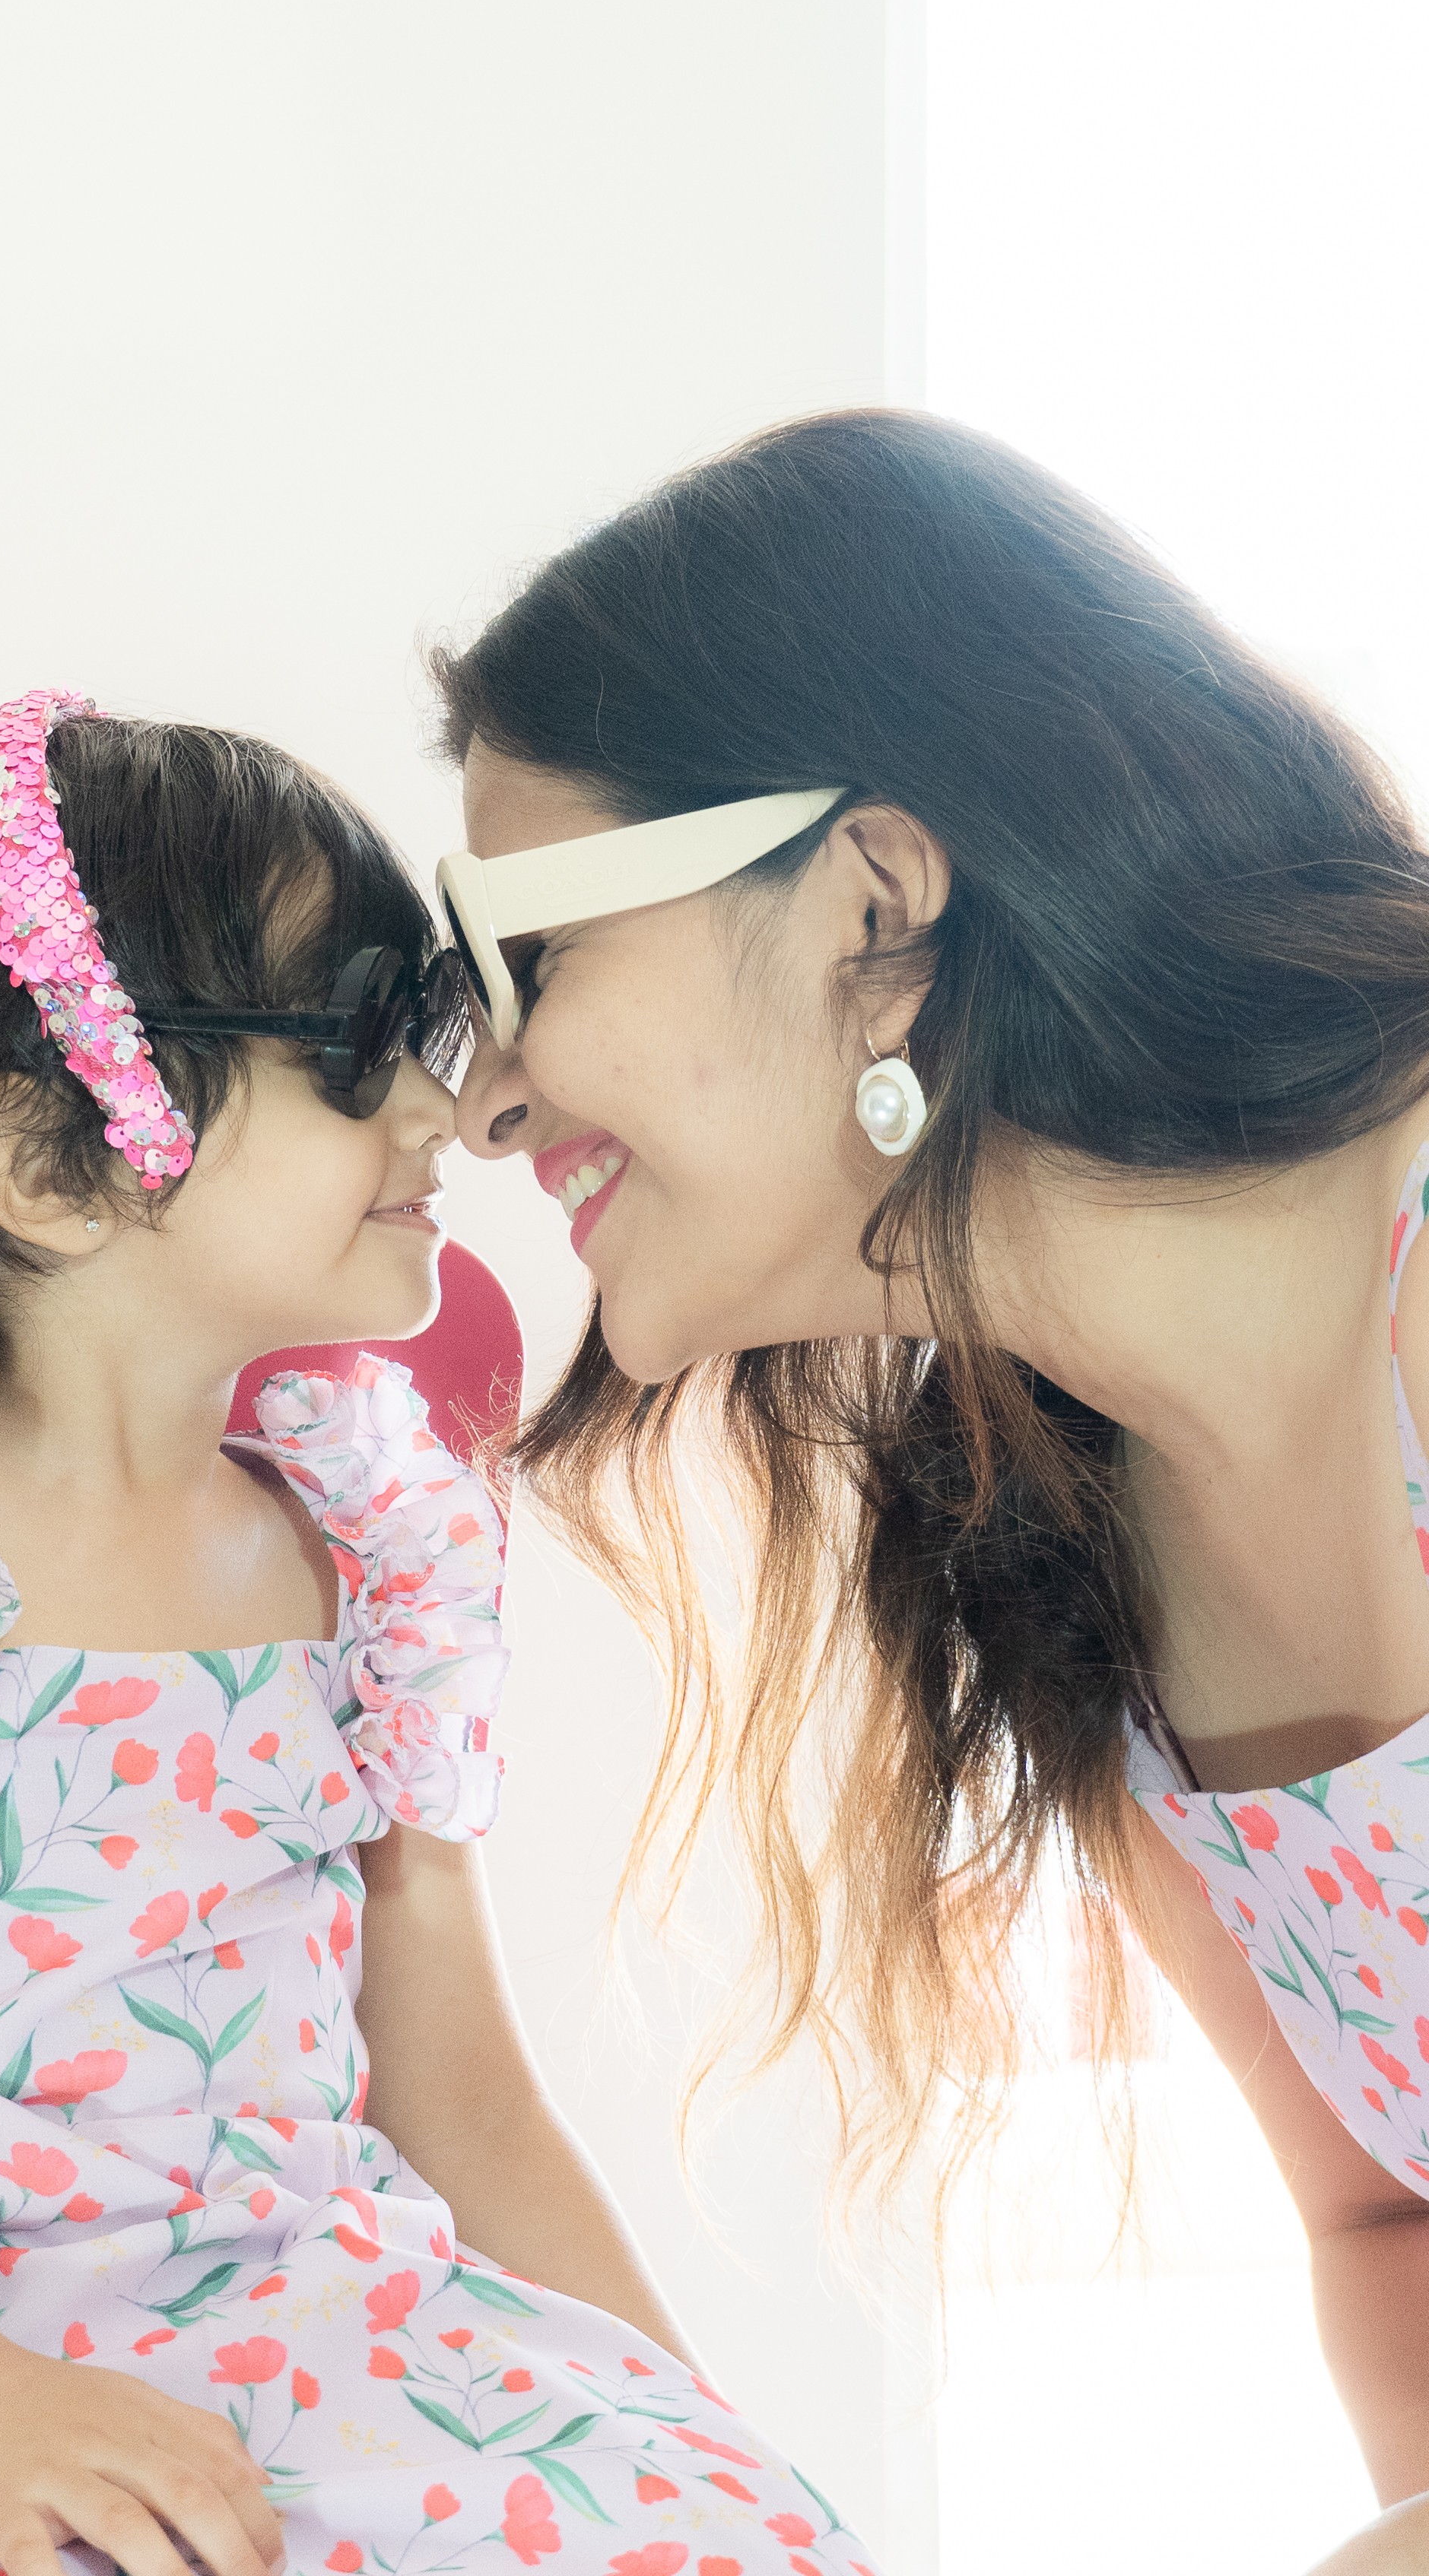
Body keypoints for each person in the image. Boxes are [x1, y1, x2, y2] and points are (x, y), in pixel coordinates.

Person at [0, 691, 874, 2576]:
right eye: (361, 1048)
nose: (448, 1112)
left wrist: (682, 2435)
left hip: (278, 2327)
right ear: (46, 1160)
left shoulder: (359, 1543)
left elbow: (460, 2095)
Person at [431, 409, 1429, 2571]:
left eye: (533, 957)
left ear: (877, 899)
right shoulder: (1063, 1530)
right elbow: (1382, 2210)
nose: (491, 1097)